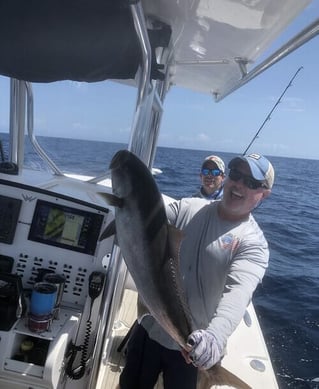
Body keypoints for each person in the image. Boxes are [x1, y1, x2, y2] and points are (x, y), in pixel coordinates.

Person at [119, 153, 275, 389]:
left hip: (196, 349)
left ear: (264, 194)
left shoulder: (253, 244)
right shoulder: (190, 208)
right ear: (228, 178)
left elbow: (238, 295)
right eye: (236, 174)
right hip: (151, 328)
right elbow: (149, 215)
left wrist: (214, 337)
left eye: (251, 183)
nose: (240, 184)